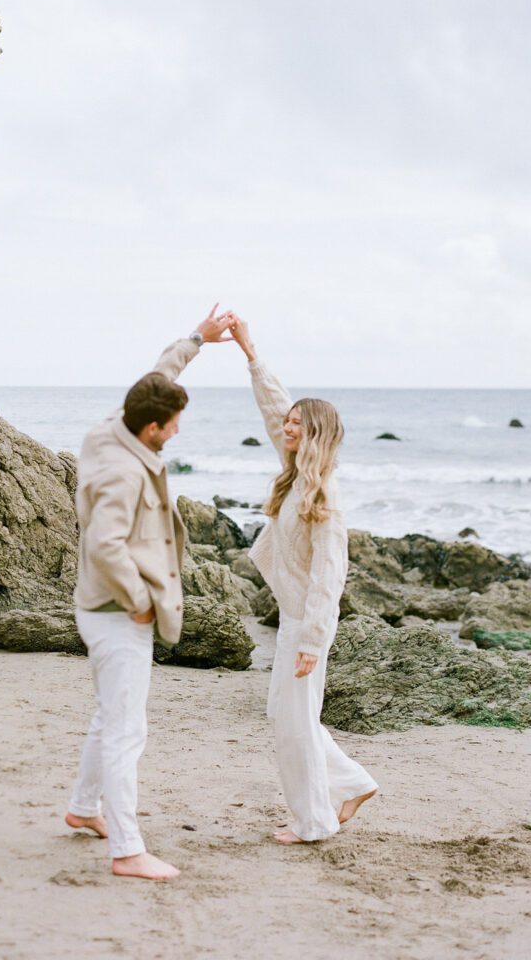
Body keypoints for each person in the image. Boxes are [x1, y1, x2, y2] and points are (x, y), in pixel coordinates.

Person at [64, 305, 233, 880]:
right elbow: (106, 546)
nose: (178, 432)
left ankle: (84, 810)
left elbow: (157, 376)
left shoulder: (113, 426)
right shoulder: (124, 472)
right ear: (150, 429)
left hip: (102, 608)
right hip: (117, 614)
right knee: (126, 731)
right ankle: (128, 851)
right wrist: (139, 599)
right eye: (173, 425)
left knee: (109, 716)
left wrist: (197, 340)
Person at [229, 315, 378, 844]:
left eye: (297, 424)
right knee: (287, 716)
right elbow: (273, 409)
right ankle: (354, 783)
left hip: (307, 622)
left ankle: (314, 821)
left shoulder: (325, 496)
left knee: (293, 726)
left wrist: (314, 638)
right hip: (293, 617)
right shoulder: (297, 475)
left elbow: (329, 574)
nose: (287, 427)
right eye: (287, 422)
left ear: (316, 433)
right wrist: (250, 352)